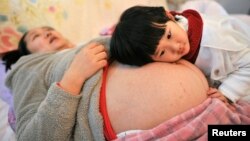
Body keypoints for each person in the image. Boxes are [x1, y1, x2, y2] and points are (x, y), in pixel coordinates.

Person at [4, 26, 250, 141]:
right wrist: (73, 78)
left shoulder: (94, 40)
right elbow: (33, 138)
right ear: (27, 52)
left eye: (48, 29)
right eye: (36, 35)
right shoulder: (30, 67)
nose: (46, 32)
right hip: (160, 134)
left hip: (214, 109)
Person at [110, 5, 250, 104]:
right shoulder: (167, 24)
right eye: (163, 52)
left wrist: (228, 92)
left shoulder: (213, 44)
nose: (176, 47)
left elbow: (248, 62)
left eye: (169, 35)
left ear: (169, 16)